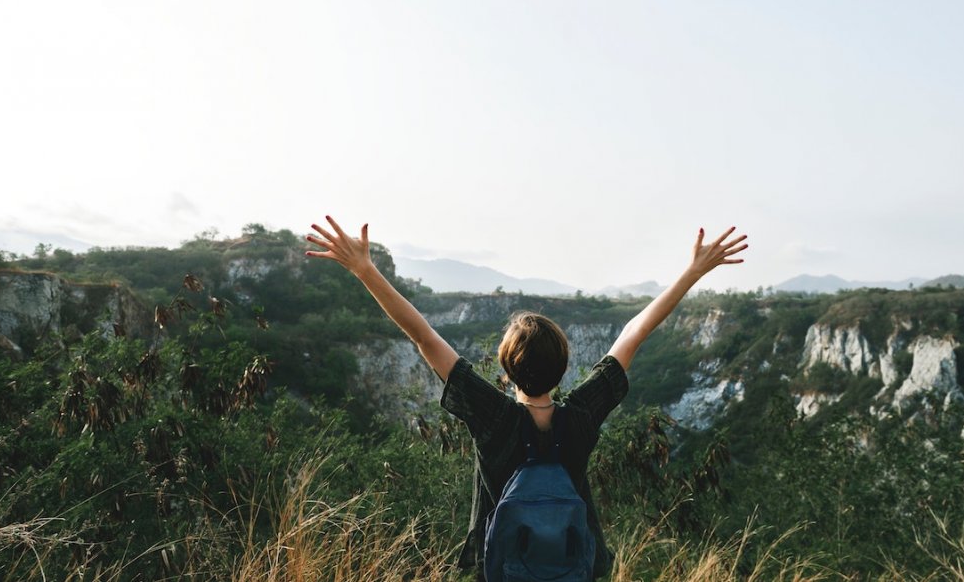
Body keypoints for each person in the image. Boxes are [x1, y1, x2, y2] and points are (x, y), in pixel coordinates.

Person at [305, 216, 747, 580]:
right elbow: (634, 332)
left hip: (501, 568)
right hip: (579, 568)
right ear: (564, 367)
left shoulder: (492, 417)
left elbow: (422, 335)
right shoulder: (580, 417)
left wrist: (365, 270)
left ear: (505, 367)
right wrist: (692, 272)